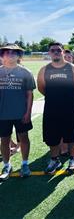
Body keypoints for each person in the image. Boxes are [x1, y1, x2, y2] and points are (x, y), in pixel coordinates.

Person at [37, 42, 74, 174]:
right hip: (51, 109)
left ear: (63, 52)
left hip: (69, 108)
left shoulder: (72, 69)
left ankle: (73, 159)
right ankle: (54, 159)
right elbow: (41, 88)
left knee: (72, 135)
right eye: (52, 50)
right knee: (52, 136)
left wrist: (66, 98)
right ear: (49, 53)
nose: (56, 52)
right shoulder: (45, 69)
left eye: (58, 50)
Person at [0, 44, 35, 180]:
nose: (10, 54)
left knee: (24, 137)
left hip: (21, 113)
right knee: (4, 140)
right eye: (7, 52)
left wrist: (27, 113)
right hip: (2, 114)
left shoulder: (25, 72)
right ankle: (7, 165)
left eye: (14, 52)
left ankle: (25, 164)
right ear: (2, 55)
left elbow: (29, 95)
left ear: (18, 56)